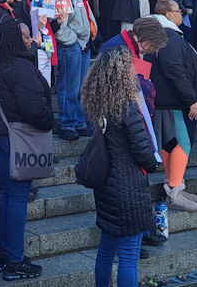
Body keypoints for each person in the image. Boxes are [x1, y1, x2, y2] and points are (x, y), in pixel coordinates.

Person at [0, 20, 54, 280]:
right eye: (25, 36)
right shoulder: (20, 66)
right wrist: (49, 122)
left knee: (8, 196)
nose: (30, 40)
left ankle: (5, 254)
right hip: (18, 136)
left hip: (4, 134)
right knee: (16, 198)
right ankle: (14, 260)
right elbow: (33, 107)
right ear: (15, 39)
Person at [81, 47, 157, 287]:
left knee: (106, 250)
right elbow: (142, 149)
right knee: (128, 257)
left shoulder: (96, 103)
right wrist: (151, 163)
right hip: (128, 186)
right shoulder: (126, 106)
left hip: (107, 185)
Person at [148, 0, 197, 211]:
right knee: (181, 142)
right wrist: (191, 98)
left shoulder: (165, 35)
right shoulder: (169, 37)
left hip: (170, 99)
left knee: (171, 143)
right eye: (178, 11)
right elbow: (175, 70)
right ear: (167, 14)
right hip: (174, 100)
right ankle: (175, 190)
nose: (182, 13)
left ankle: (174, 183)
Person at [54, 0, 94, 141]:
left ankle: (78, 121)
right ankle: (67, 123)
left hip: (82, 44)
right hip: (73, 46)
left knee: (79, 87)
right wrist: (74, 41)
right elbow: (60, 24)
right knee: (69, 86)